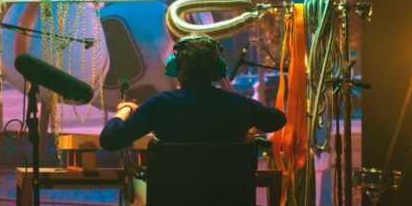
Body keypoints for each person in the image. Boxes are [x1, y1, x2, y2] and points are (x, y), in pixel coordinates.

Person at [99, 35, 286, 151]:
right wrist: (246, 124)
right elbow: (278, 120)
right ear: (219, 69)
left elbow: (110, 140)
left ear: (175, 67)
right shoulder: (239, 105)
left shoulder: (161, 105)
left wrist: (124, 110)